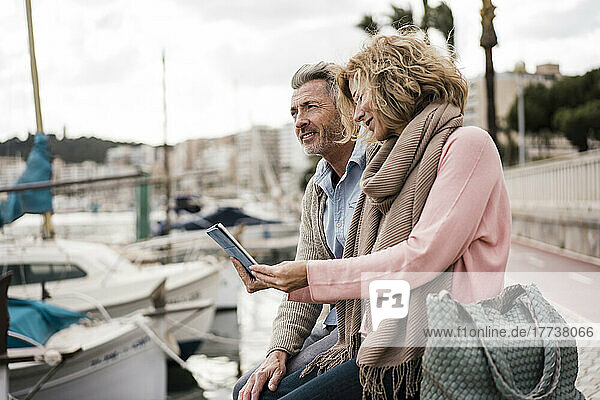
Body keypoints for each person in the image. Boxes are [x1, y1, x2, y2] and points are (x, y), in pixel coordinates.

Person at [245, 30, 511, 399]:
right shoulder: (390, 162)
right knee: (250, 390)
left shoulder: (468, 145)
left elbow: (420, 258)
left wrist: (306, 274)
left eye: (360, 97)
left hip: (439, 339)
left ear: (393, 85)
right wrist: (277, 282)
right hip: (380, 330)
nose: (357, 114)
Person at [232, 62, 368, 400]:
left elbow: (384, 269)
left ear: (347, 110)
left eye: (310, 107)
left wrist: (304, 275)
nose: (299, 121)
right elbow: (304, 289)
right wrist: (278, 351)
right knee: (243, 389)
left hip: (367, 329)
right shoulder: (316, 190)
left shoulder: (378, 171)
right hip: (333, 326)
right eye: (293, 112)